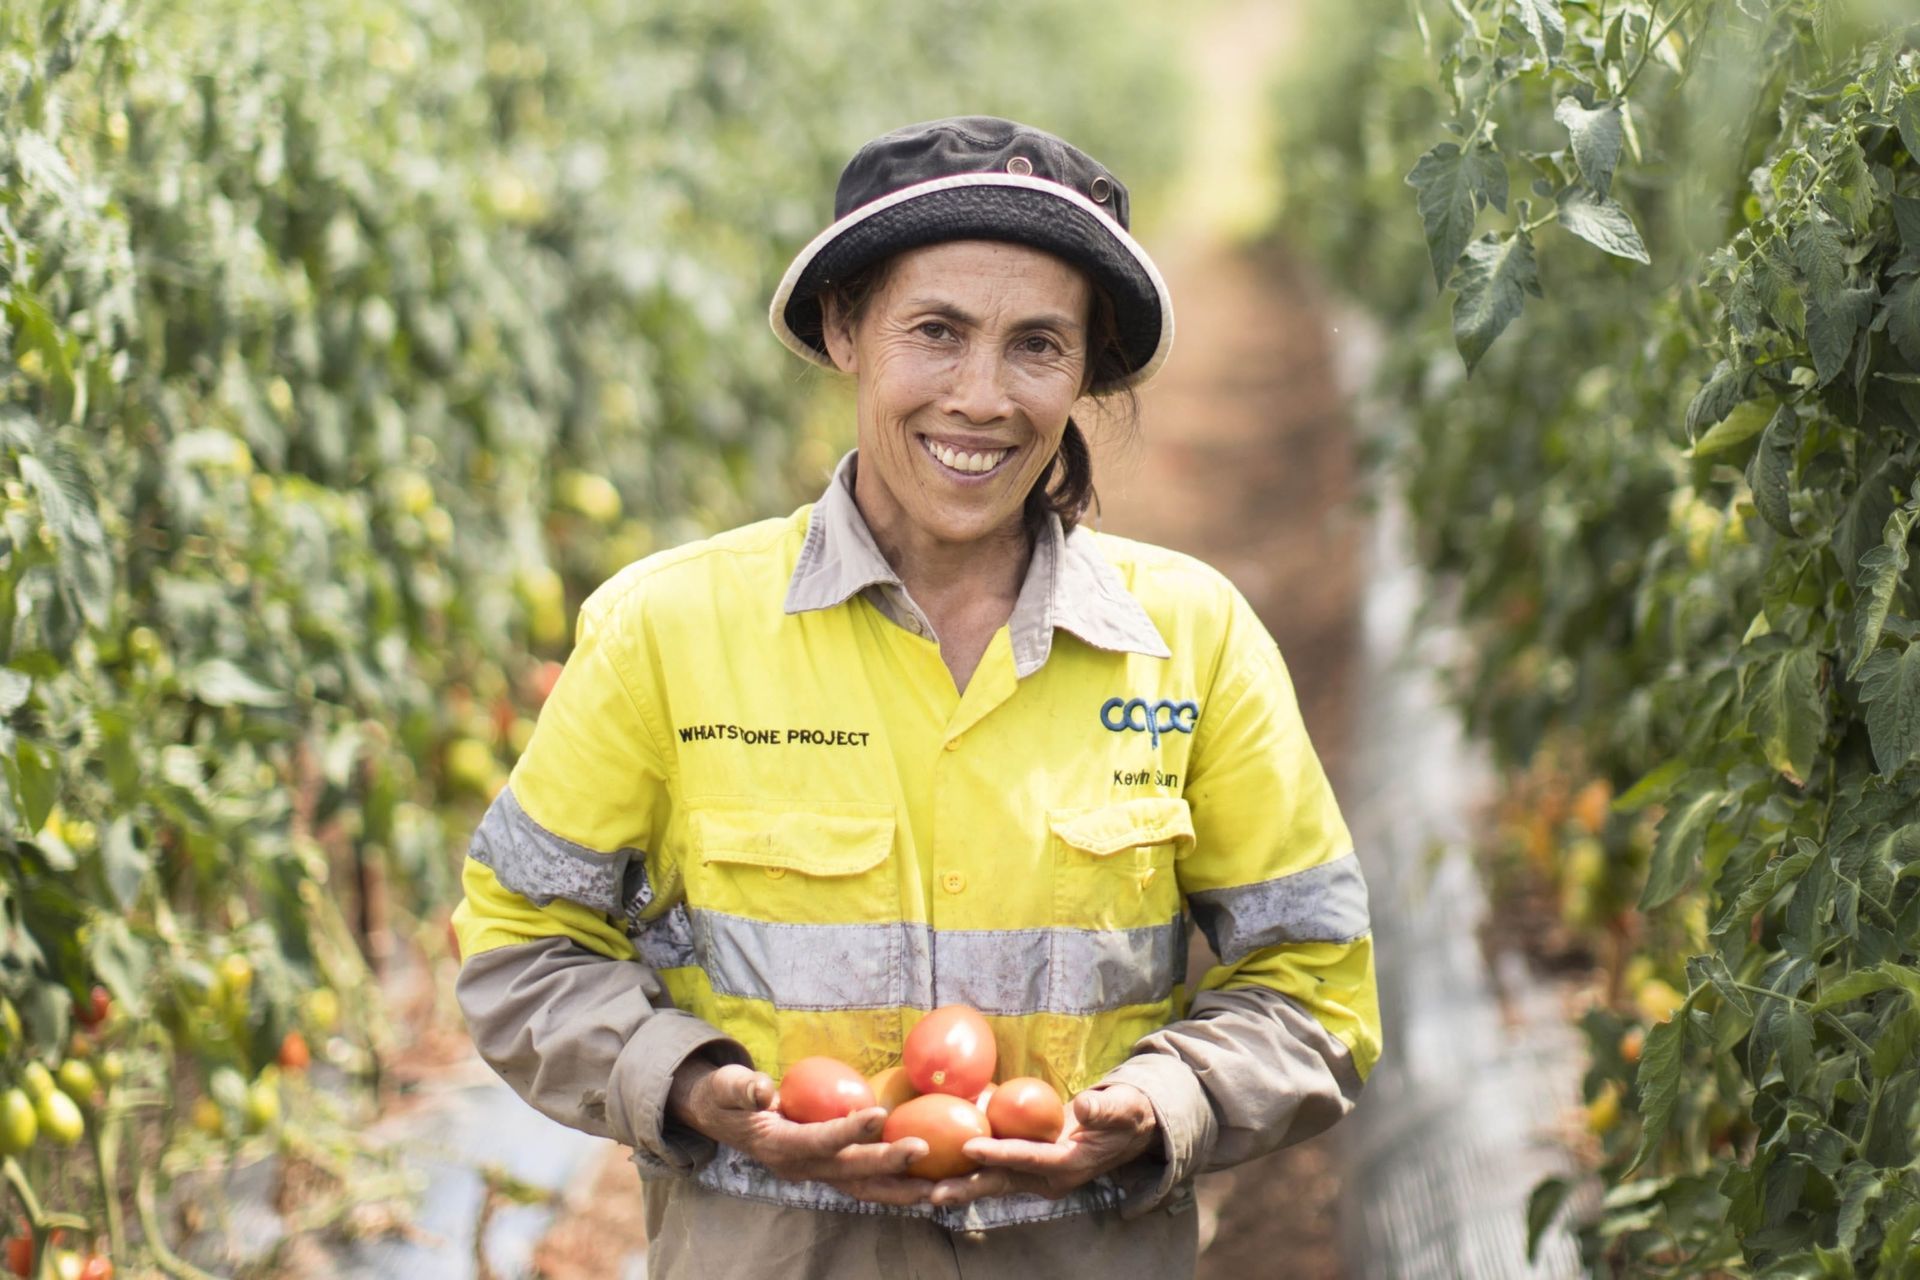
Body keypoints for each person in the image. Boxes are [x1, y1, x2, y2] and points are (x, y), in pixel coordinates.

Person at [452, 115, 1380, 1279]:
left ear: (1085, 369)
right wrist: (686, 1082)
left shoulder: (1191, 642)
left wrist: (1155, 1103)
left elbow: (1314, 983)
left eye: (1037, 345)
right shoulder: (668, 630)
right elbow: (521, 941)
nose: (981, 396)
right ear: (846, 329)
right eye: (936, 332)